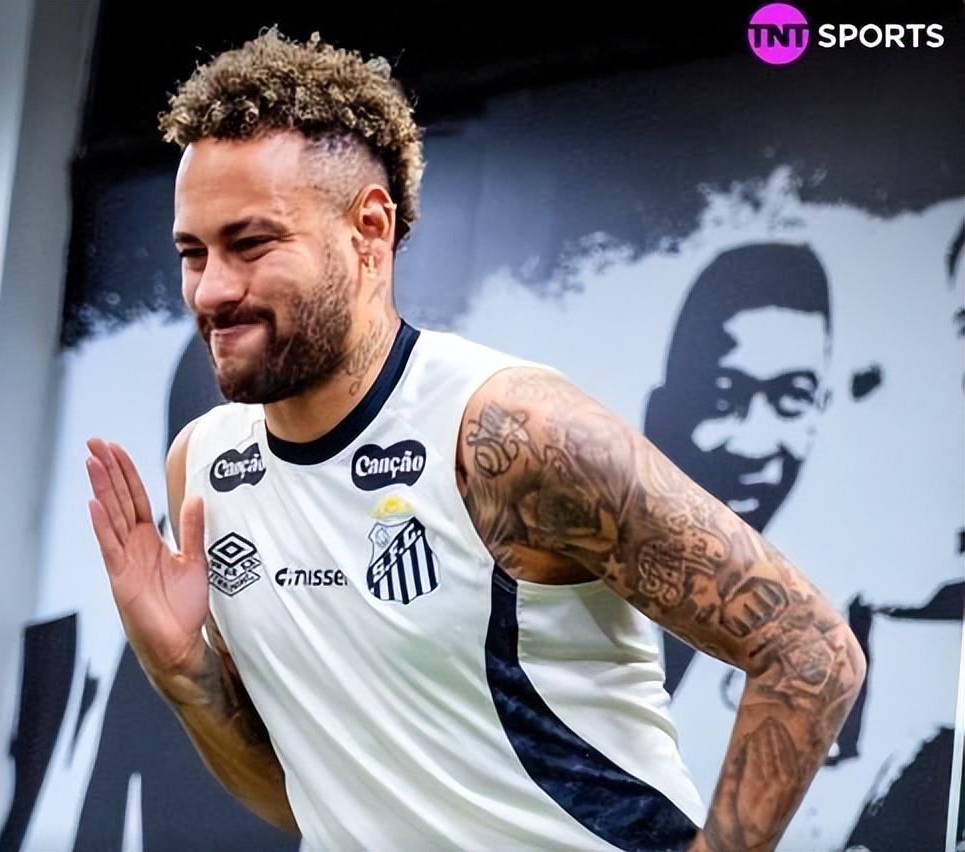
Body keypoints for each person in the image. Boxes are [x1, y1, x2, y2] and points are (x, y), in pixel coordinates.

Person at [84, 29, 865, 851]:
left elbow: (810, 652)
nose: (212, 290)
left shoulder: (511, 432)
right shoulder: (205, 467)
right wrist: (185, 675)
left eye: (251, 245)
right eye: (193, 253)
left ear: (369, 230)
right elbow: (301, 797)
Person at [643, 243, 834, 698]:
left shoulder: (854, 633)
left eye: (792, 397)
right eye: (723, 397)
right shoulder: (577, 591)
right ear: (661, 412)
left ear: (821, 411)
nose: (755, 443)